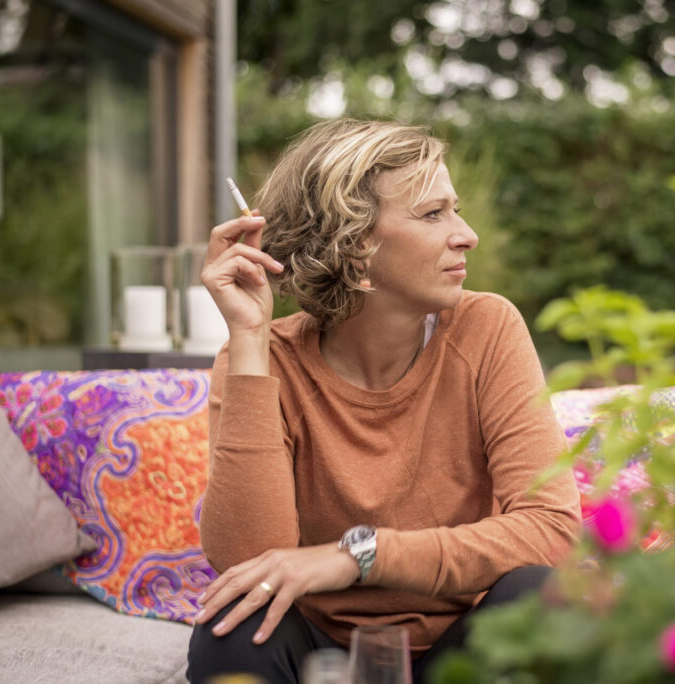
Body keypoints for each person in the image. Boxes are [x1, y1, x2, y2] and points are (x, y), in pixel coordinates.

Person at [186, 119, 581, 683]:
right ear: (353, 242)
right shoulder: (258, 357)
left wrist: (358, 556)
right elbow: (251, 560)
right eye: (432, 214)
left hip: (463, 650)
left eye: (455, 209)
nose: (466, 234)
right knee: (233, 621)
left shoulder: (486, 328)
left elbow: (551, 530)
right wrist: (250, 338)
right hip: (320, 651)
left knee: (542, 594)